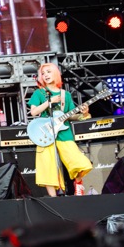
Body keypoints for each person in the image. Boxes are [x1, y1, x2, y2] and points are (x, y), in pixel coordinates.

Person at [28, 63, 92, 197]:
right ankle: (54, 199)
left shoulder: (65, 94)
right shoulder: (39, 93)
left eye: (48, 72)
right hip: (45, 134)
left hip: (64, 133)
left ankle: (78, 183)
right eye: (43, 73)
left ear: (55, 74)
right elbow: (33, 112)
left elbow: (70, 115)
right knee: (47, 168)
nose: (45, 75)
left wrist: (84, 114)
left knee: (80, 162)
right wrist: (49, 102)